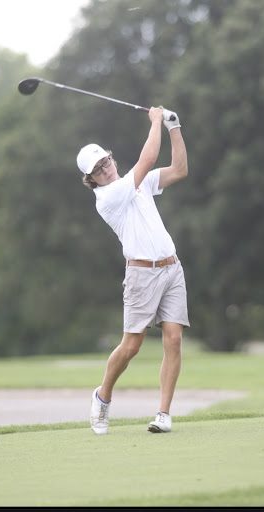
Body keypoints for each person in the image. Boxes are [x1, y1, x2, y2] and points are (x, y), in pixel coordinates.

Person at [76, 105, 190, 434]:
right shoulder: (108, 196)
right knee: (131, 346)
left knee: (173, 340)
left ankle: (163, 414)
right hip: (141, 276)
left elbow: (179, 169)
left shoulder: (135, 183)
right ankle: (103, 396)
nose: (105, 170)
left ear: (112, 159)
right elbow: (148, 161)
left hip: (172, 268)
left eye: (106, 162)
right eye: (97, 170)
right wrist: (155, 121)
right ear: (91, 180)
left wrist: (174, 127)